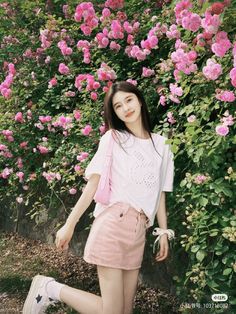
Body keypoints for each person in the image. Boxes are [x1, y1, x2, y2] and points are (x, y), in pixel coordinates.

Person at [23, 81, 174, 314]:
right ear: (114, 113)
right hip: (113, 225)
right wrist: (69, 224)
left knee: (125, 311)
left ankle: (49, 288)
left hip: (138, 233)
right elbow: (92, 186)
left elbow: (160, 193)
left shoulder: (162, 145)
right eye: (118, 105)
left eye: (129, 100)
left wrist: (163, 232)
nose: (125, 108)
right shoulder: (113, 139)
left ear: (140, 100)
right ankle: (50, 289)